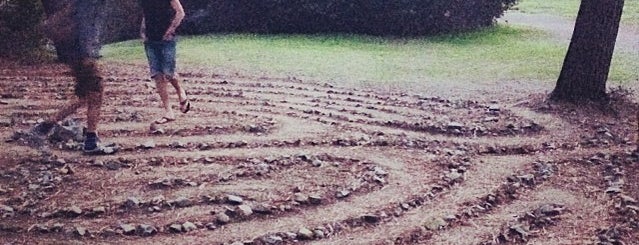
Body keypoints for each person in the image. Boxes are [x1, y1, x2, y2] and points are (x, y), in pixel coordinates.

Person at [23, 0, 115, 155]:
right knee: (96, 93)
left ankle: (44, 127)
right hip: (83, 54)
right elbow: (84, 25)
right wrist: (87, 53)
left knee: (85, 96)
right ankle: (91, 142)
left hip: (76, 53)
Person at [140, 0, 191, 125]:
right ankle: (168, 111)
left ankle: (180, 91)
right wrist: (142, 30)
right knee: (157, 74)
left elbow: (180, 12)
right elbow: (146, 14)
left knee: (169, 73)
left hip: (166, 40)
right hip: (150, 40)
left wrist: (171, 29)